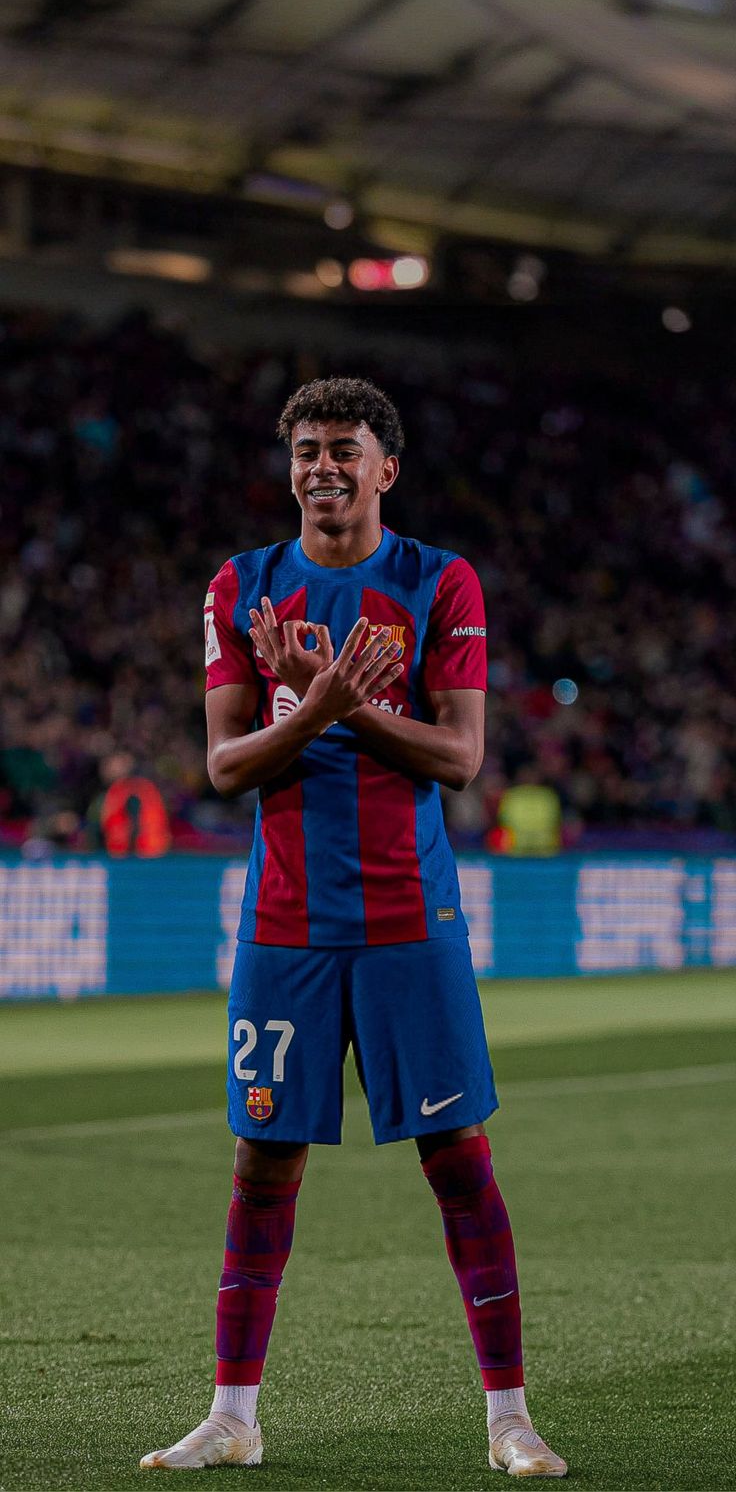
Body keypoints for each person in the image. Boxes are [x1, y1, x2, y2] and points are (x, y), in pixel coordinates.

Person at [140, 378, 567, 1478]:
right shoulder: (243, 586)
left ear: (387, 469)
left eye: (346, 449)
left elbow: (461, 757)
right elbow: (224, 765)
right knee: (262, 1161)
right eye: (307, 451)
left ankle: (509, 1418)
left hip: (406, 918)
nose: (323, 466)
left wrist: (333, 703)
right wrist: (322, 705)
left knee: (457, 1158)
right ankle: (233, 1414)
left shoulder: (439, 582)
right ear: (290, 470)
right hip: (282, 925)